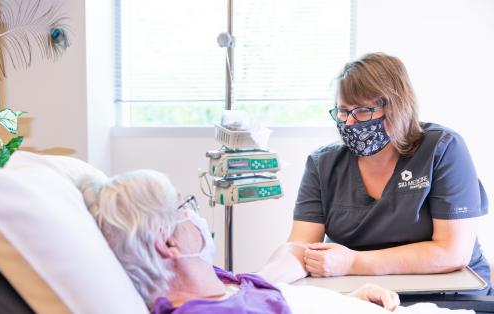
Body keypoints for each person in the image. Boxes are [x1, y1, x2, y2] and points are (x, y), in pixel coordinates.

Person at [77, 169, 476, 313]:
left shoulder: (218, 281)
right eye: (184, 206)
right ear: (169, 244)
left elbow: (287, 275)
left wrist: (342, 302)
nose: (195, 213)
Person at [259, 52, 491, 295]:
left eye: (362, 111)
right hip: (360, 290)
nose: (349, 123)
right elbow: (300, 247)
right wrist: (258, 281)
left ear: (396, 107)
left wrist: (353, 262)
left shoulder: (442, 149)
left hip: (449, 292)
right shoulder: (323, 164)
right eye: (342, 111)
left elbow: (452, 253)